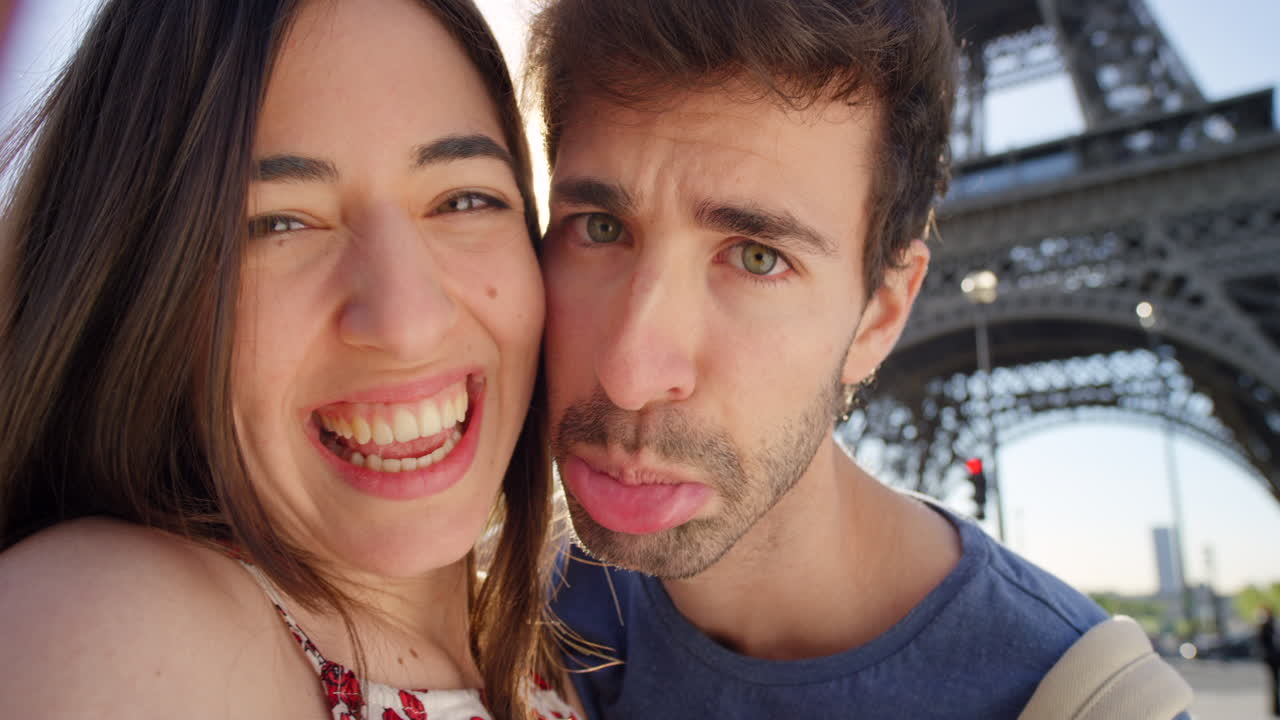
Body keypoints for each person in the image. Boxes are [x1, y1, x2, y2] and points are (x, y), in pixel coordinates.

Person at [525, 0, 1182, 716]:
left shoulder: (1090, 702)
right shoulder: (494, 615)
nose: (628, 372)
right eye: (599, 227)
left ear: (882, 313)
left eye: (756, 257)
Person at [0, 1, 577, 718]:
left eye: (463, 199)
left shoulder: (558, 648)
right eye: (280, 223)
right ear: (139, 282)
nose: (407, 323)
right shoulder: (113, 629)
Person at [1263, 606, 1280, 716]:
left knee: (1275, 683)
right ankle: (1276, 708)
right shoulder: (1266, 625)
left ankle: (1276, 708)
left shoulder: (1271, 624)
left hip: (1274, 658)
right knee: (1274, 683)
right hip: (1273, 659)